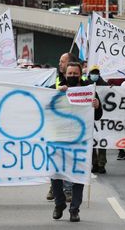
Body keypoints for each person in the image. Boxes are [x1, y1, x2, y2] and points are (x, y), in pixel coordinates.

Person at [52, 62, 102, 222]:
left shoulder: (89, 90)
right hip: (59, 138)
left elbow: (98, 115)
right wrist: (57, 94)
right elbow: (46, 108)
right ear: (65, 74)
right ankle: (59, 203)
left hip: (80, 140)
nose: (72, 76)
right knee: (55, 174)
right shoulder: (57, 88)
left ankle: (74, 209)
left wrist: (97, 105)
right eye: (70, 73)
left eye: (75, 73)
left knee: (78, 175)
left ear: (81, 75)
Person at [47, 52, 79, 202]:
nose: (59, 64)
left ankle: (67, 191)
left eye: (62, 61)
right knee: (57, 162)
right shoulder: (57, 82)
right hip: (57, 131)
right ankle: (56, 187)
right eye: (59, 61)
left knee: (68, 161)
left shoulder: (83, 84)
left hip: (75, 132)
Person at [87, 65, 108, 174]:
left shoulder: (104, 85)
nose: (94, 75)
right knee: (91, 141)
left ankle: (101, 164)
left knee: (101, 142)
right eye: (93, 72)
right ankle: (94, 163)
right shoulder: (86, 84)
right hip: (90, 117)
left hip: (102, 118)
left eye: (96, 72)